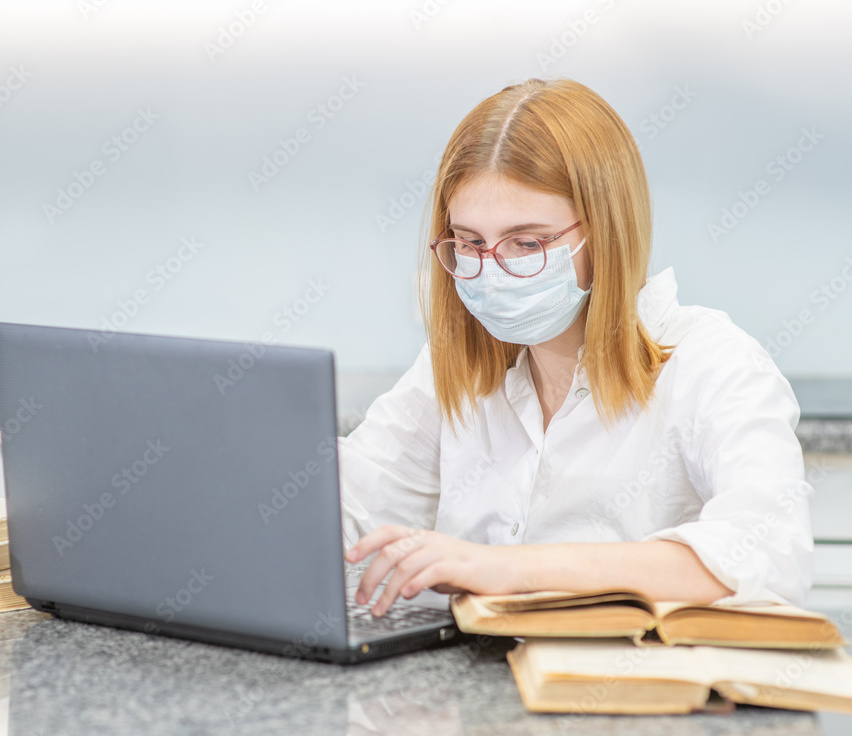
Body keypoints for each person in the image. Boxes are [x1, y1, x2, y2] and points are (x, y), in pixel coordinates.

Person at [341, 77, 813, 618]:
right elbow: (355, 502)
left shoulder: (713, 365)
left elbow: (771, 558)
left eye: (528, 243)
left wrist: (508, 568)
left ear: (605, 233)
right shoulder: (458, 366)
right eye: (469, 242)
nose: (491, 270)